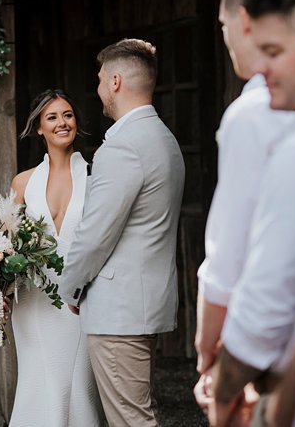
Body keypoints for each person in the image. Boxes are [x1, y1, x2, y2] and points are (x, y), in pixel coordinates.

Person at [60, 39, 185, 426]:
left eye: (99, 80)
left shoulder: (124, 147)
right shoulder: (162, 137)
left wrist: (70, 286)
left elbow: (96, 233)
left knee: (131, 420)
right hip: (142, 300)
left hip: (120, 308)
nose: (97, 89)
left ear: (115, 81)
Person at [207, 0, 295, 427]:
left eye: (274, 52)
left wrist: (223, 390)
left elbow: (263, 292)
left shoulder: (284, 148)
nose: (262, 68)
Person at [9, 89, 103, 426]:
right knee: (39, 383)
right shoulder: (22, 182)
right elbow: (7, 247)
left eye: (68, 115)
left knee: (78, 387)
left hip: (81, 300)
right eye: (52, 117)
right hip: (34, 300)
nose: (62, 123)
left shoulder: (97, 176)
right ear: (39, 128)